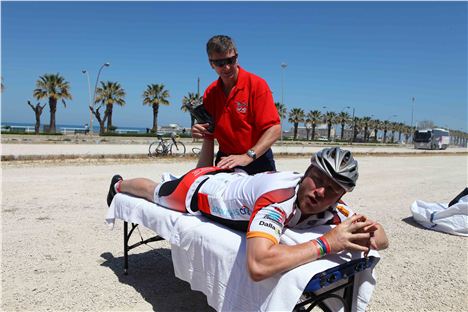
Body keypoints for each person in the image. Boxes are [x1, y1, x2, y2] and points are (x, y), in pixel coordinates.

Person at [106, 147, 388, 281]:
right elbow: (258, 266)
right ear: (307, 172)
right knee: (157, 192)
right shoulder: (278, 199)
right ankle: (118, 184)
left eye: (332, 189)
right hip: (201, 188)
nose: (320, 193)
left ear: (341, 196)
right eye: (318, 180)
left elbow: (381, 239)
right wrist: (328, 243)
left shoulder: (333, 206)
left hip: (237, 180)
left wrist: (368, 232)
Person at [192, 35, 281, 175]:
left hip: (257, 159)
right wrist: (202, 131)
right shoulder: (211, 93)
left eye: (230, 60)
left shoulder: (256, 85)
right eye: (220, 63)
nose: (227, 67)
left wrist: (247, 156)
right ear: (211, 64)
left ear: (236, 57)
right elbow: (209, 134)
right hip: (226, 161)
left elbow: (274, 129)